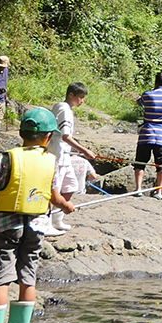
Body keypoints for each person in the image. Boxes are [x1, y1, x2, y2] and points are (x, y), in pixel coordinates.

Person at [0, 108, 74, 323]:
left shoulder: (8, 158)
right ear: (48, 137)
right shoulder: (51, 161)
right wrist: (67, 206)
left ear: (21, 133)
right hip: (37, 227)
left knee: (2, 278)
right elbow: (56, 198)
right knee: (28, 276)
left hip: (7, 225)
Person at [48, 83, 94, 231]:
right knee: (54, 188)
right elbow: (65, 136)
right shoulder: (63, 108)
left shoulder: (66, 108)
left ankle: (57, 218)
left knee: (71, 185)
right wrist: (84, 150)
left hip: (65, 153)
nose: (82, 101)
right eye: (80, 97)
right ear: (71, 95)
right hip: (58, 152)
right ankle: (47, 223)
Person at [134, 72, 162, 197]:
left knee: (140, 161)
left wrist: (152, 90)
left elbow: (139, 102)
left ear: (155, 82)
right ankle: (158, 191)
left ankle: (138, 189)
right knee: (161, 164)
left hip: (146, 133)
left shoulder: (148, 94)